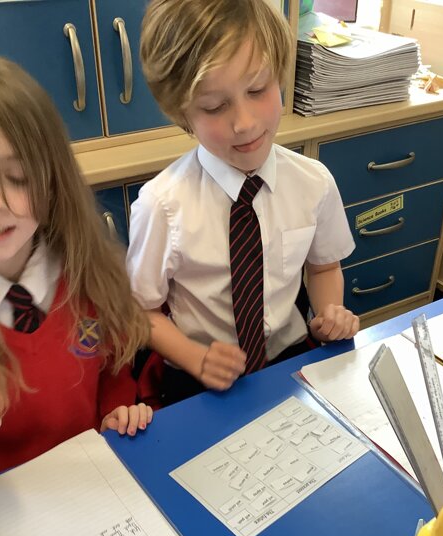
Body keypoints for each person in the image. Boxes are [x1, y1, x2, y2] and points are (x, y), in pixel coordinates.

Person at [127, 0, 359, 406]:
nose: (245, 123)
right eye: (215, 106)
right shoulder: (161, 205)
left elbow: (324, 266)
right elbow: (140, 311)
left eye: (257, 90)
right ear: (182, 114)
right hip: (197, 377)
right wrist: (195, 358)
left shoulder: (313, 182)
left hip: (289, 363)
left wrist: (329, 313)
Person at [0, 51, 152, 488]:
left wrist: (118, 412)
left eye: (19, 177)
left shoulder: (88, 275)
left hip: (90, 493)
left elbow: (112, 371)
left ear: (53, 181)